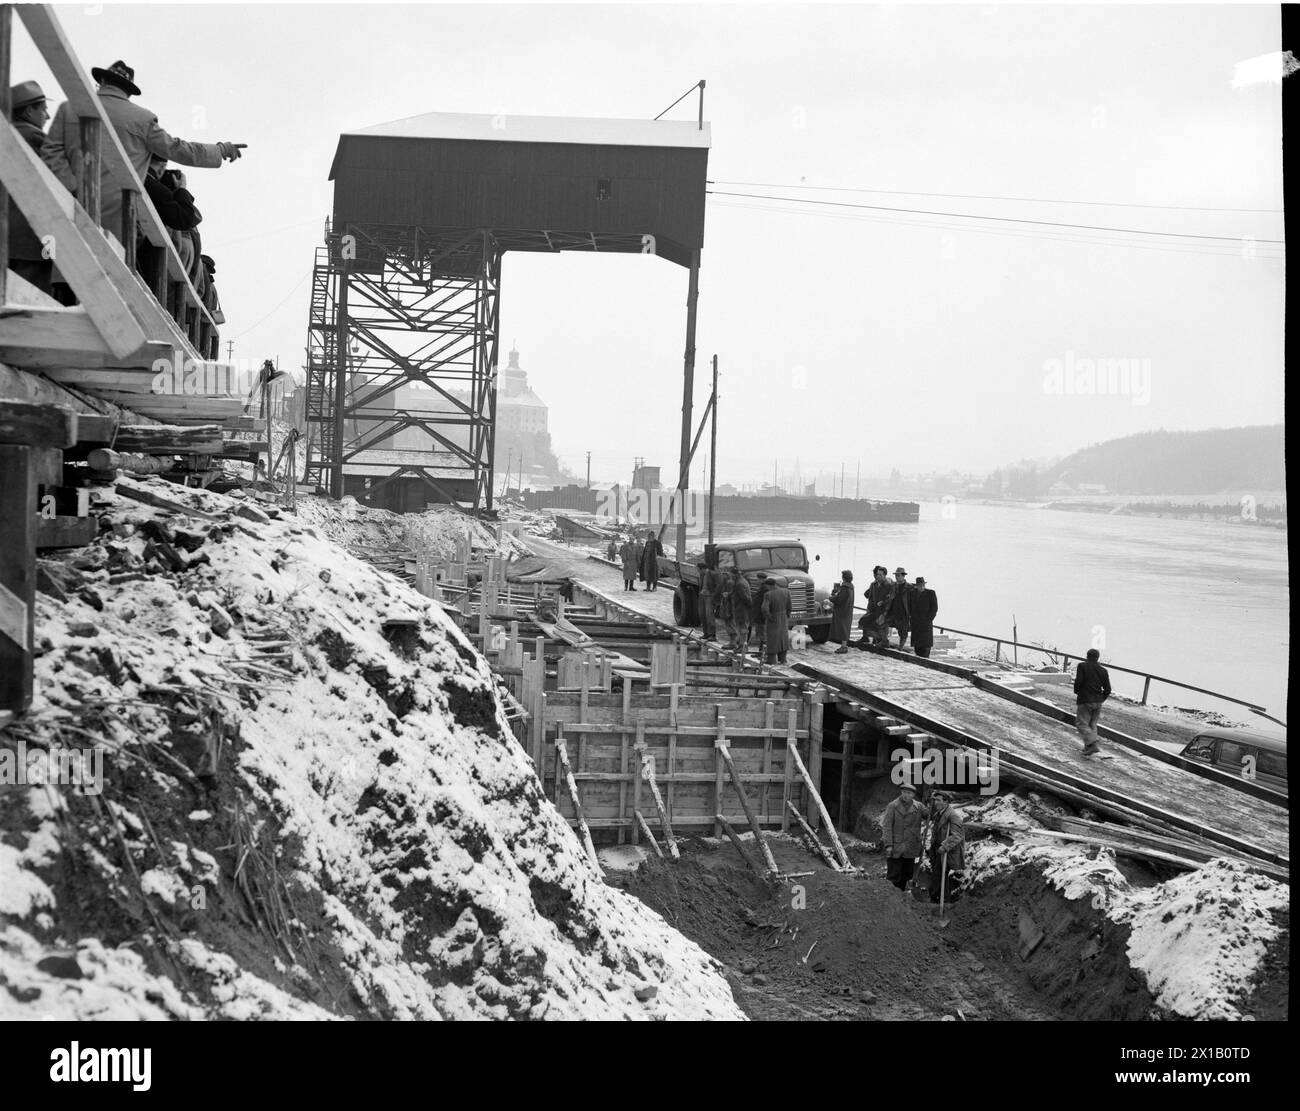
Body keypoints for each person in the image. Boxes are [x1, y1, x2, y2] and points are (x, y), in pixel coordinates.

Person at [42, 60, 244, 242]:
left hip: (65, 208)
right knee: (106, 274)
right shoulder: (142, 119)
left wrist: (72, 187)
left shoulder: (68, 108)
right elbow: (179, 150)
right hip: (115, 219)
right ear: (128, 91)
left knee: (64, 270)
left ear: (102, 81)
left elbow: (50, 153)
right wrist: (220, 150)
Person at [7, 80, 54, 294]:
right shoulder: (35, 138)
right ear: (28, 111)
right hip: (31, 242)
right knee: (32, 301)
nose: (48, 116)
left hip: (9, 239)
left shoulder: (6, 135)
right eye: (43, 109)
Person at [880, 783, 923, 892]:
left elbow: (930, 814)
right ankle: (892, 898)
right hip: (896, 846)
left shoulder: (918, 807)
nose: (905, 795)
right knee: (894, 875)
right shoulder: (892, 806)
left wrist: (935, 805)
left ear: (913, 795)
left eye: (909, 793)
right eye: (904, 792)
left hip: (910, 846)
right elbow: (887, 827)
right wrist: (888, 845)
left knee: (907, 874)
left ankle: (902, 898)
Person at [927, 791, 965, 904]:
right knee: (939, 875)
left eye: (938, 800)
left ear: (946, 802)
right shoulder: (939, 814)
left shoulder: (953, 816)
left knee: (937, 876)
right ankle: (944, 898)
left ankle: (934, 900)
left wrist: (944, 846)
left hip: (946, 851)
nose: (935, 803)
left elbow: (957, 836)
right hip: (936, 849)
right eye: (935, 800)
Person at [1073, 648, 1112, 756]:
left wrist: (1077, 691)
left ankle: (1092, 744)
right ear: (1097, 657)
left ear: (1087, 656)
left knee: (1081, 724)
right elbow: (1108, 689)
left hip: (1085, 699)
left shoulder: (1082, 666)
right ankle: (1088, 748)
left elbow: (1079, 681)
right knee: (1092, 725)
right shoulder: (1103, 670)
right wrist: (1101, 699)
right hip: (1098, 701)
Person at [856, 565, 894, 648]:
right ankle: (870, 639)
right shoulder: (874, 585)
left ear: (885, 575)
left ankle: (884, 642)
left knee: (880, 626)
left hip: (883, 610)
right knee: (864, 621)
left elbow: (891, 598)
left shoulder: (889, 585)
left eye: (880, 575)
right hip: (873, 609)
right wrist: (871, 607)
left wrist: (883, 602)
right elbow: (870, 595)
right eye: (877, 574)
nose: (878, 576)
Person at [761, 575, 792, 665]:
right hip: (783, 618)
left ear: (768, 585)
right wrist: (786, 615)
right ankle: (783, 660)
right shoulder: (786, 592)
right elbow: (790, 606)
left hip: (773, 619)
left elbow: (764, 609)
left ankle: (771, 660)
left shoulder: (768, 594)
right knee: (783, 638)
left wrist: (770, 617)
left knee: (772, 639)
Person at [723, 564, 752, 652]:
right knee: (742, 628)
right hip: (741, 608)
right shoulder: (741, 581)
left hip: (741, 609)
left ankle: (743, 647)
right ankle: (741, 645)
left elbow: (745, 598)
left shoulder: (739, 584)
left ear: (734, 574)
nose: (729, 575)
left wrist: (749, 607)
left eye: (730, 574)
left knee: (742, 628)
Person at [911, 576, 938, 658]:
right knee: (917, 647)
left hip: (926, 623)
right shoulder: (912, 593)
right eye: (919, 585)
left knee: (925, 647)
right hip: (916, 623)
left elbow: (934, 608)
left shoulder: (931, 593)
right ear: (916, 586)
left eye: (922, 585)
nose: (921, 587)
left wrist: (929, 619)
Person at [828, 569, 855, 654]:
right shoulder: (851, 587)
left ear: (844, 578)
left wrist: (831, 598)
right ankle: (844, 646)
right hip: (848, 610)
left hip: (842, 611)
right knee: (845, 629)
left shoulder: (845, 587)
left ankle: (844, 647)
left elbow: (839, 599)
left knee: (843, 629)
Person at [887, 567, 913, 648]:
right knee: (884, 624)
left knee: (903, 631)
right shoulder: (893, 585)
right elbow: (889, 596)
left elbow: (912, 601)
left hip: (904, 613)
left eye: (898, 575)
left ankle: (901, 647)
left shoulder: (909, 587)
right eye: (896, 575)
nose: (896, 577)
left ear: (903, 576)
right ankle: (884, 641)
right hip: (893, 611)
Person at [698, 561, 720, 641]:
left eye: (699, 569)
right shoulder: (702, 575)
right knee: (702, 615)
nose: (698, 571)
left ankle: (712, 635)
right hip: (702, 595)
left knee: (709, 615)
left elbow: (718, 585)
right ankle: (706, 633)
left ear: (703, 569)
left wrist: (714, 595)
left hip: (709, 596)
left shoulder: (712, 574)